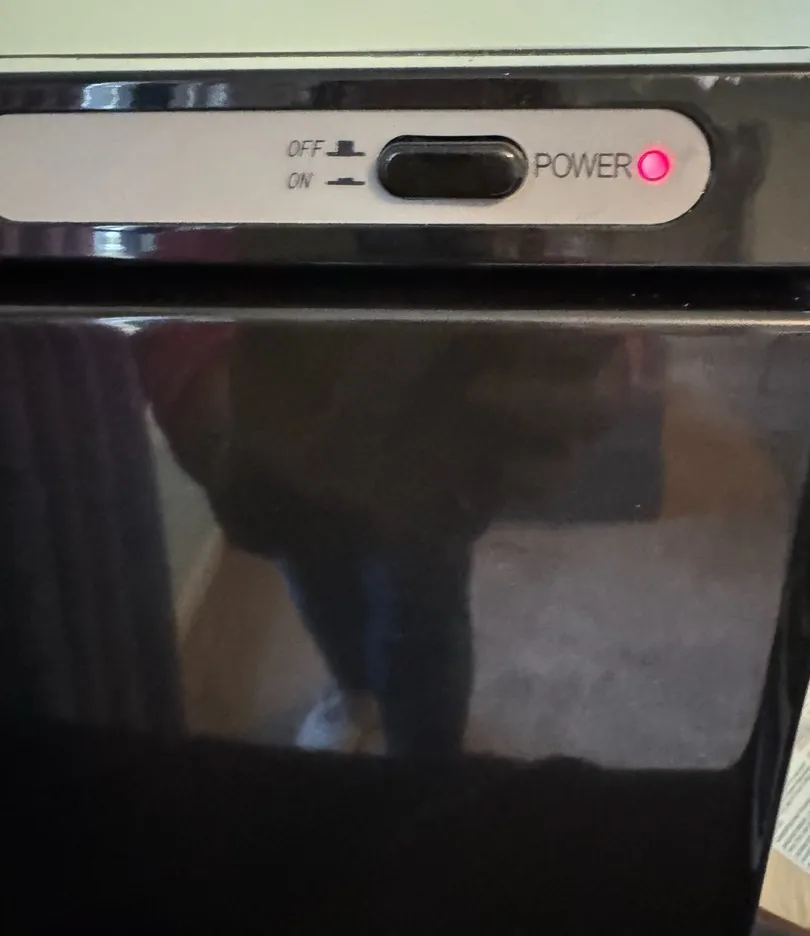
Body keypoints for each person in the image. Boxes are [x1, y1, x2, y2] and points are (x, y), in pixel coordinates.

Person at [137, 321, 632, 755]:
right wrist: (207, 401)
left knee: (419, 610)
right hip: (282, 412)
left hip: (428, 418)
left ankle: (423, 767)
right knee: (318, 580)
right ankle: (356, 694)